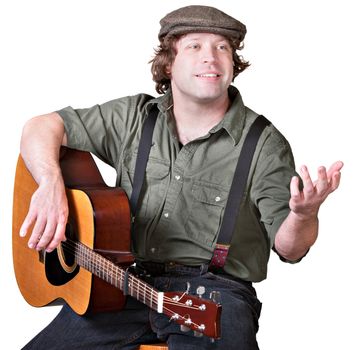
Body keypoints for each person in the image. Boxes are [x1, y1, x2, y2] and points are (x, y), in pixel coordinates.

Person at [18, 5, 343, 350]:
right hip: (120, 284)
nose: (211, 57)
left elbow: (290, 248)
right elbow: (41, 127)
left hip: (216, 294)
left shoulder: (263, 143)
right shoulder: (133, 117)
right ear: (169, 63)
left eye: (222, 48)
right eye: (195, 46)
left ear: (233, 64)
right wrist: (50, 184)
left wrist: (304, 214)